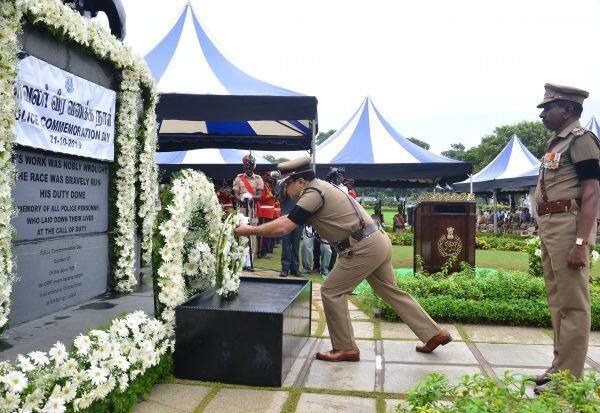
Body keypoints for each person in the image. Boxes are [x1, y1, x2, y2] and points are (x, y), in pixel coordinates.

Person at [234, 156, 452, 361]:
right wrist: (253, 226)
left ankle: (345, 347)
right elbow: (288, 218)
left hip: (362, 247)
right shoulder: (318, 189)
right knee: (391, 291)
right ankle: (434, 333)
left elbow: (284, 226)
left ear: (300, 181)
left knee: (331, 291)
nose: (285, 191)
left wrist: (247, 230)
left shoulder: (312, 193)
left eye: (287, 185)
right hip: (376, 241)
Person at [531, 83, 600, 394]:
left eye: (549, 107)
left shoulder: (582, 141)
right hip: (551, 225)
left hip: (569, 227)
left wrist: (581, 243)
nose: (544, 113)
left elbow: (592, 192)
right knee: (558, 301)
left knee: (573, 303)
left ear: (568, 110)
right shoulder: (556, 143)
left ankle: (569, 380)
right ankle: (560, 367)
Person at [232, 154, 264, 271]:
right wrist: (240, 198)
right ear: (244, 166)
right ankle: (241, 261)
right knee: (240, 233)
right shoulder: (239, 178)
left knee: (251, 234)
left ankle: (249, 261)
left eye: (250, 166)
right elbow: (235, 193)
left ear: (254, 166)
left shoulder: (258, 179)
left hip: (252, 210)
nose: (249, 168)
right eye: (247, 166)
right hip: (241, 210)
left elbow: (260, 195)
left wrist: (251, 197)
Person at [278, 182, 302, 277]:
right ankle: (285, 269)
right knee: (286, 245)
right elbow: (281, 197)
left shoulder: (300, 189)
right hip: (286, 220)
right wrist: (285, 184)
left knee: (296, 246)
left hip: (298, 219)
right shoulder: (283, 187)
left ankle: (295, 269)